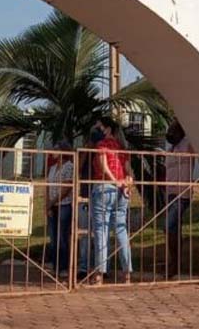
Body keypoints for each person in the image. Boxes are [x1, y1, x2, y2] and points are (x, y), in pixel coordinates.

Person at [89, 115, 133, 285]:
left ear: (108, 129)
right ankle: (127, 273)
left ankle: (99, 274)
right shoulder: (122, 148)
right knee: (121, 230)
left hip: (104, 188)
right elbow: (129, 172)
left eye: (99, 126)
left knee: (101, 231)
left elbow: (103, 166)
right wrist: (126, 184)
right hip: (121, 191)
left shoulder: (102, 145)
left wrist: (115, 181)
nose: (97, 129)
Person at [164, 119, 196, 278]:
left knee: (168, 226)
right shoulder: (171, 148)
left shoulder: (188, 144)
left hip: (182, 193)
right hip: (170, 193)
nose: (170, 133)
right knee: (174, 229)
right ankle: (174, 262)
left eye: (173, 130)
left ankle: (174, 263)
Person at [46, 141, 74, 277]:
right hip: (52, 205)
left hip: (64, 205)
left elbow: (66, 188)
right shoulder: (52, 168)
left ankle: (63, 267)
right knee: (53, 237)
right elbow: (48, 187)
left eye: (56, 149)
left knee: (62, 236)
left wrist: (53, 202)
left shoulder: (69, 167)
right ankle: (55, 266)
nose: (53, 151)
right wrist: (48, 204)